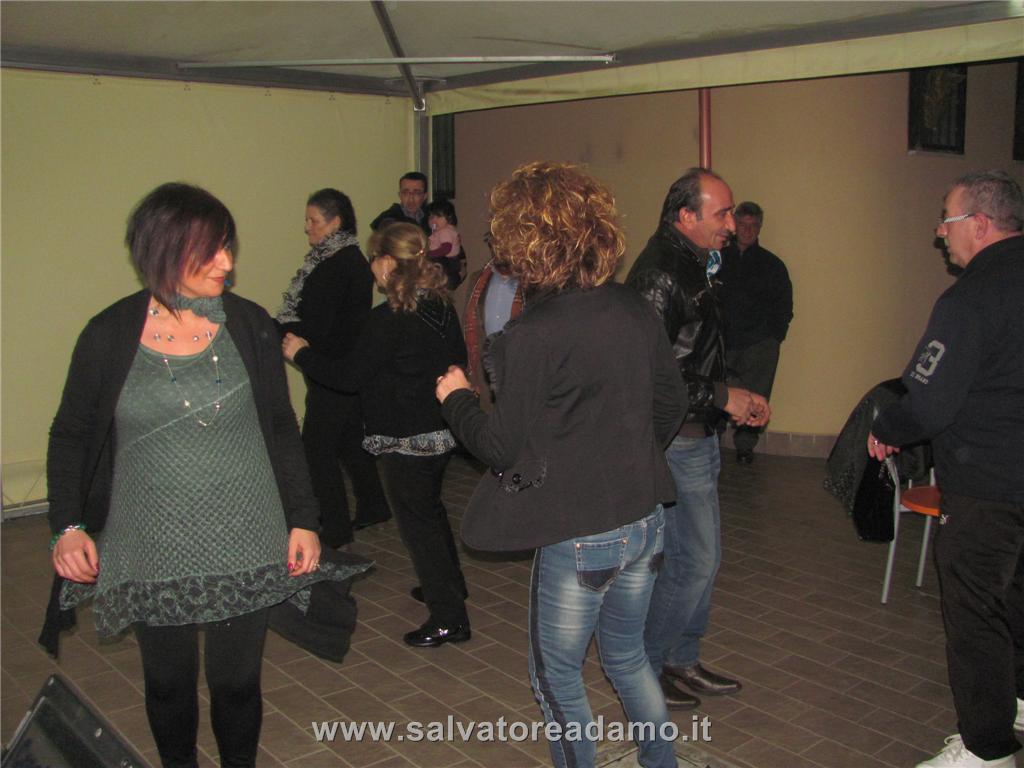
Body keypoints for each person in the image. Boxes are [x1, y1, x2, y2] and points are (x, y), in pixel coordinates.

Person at [45, 183, 368, 768]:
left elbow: (280, 427)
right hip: (152, 541)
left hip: (246, 534)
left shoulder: (249, 325)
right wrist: (67, 526)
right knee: (168, 684)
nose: (227, 262)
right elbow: (70, 433)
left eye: (228, 247)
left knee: (236, 684)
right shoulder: (108, 334)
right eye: (211, 250)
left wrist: (303, 518)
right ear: (163, 251)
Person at [436, 161, 686, 768]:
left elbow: (500, 447)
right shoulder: (632, 307)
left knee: (556, 677)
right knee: (628, 659)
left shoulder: (533, 333)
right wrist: (626, 456)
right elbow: (671, 404)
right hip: (646, 518)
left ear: (526, 240)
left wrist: (456, 399)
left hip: (582, 536)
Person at [868, 170, 1024, 768]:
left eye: (947, 220)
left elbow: (929, 402)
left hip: (987, 484)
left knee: (976, 612)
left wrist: (886, 430)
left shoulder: (970, 298)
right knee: (1019, 597)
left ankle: (987, 749)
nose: (941, 232)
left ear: (979, 225)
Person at [282, 222, 470, 648]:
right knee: (430, 514)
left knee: (419, 527)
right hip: (441, 430)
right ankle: (450, 586)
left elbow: (348, 377)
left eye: (373, 259)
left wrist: (301, 353)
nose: (371, 267)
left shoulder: (388, 319)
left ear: (386, 262)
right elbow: (456, 358)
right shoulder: (439, 305)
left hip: (407, 438)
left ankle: (450, 618)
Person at [626, 167, 770, 710]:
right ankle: (647, 666)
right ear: (686, 216)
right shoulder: (660, 273)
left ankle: (681, 658)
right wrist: (721, 396)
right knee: (694, 560)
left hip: (698, 430)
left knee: (700, 558)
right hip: (676, 439)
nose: (731, 224)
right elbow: (649, 375)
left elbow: (696, 351)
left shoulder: (699, 262)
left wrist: (731, 393)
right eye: (722, 213)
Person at [276, 188, 391, 547]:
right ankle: (373, 505)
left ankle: (335, 527)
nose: (307, 227)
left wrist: (282, 331)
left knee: (316, 449)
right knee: (349, 441)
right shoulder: (334, 260)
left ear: (335, 222)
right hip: (336, 365)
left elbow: (322, 324)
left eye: (313, 220)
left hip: (334, 368)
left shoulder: (341, 264)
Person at [718, 200, 793, 463]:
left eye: (753, 226)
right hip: (722, 341)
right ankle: (711, 443)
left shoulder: (772, 265)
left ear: (759, 228)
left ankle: (745, 447)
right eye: (743, 224)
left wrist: (774, 336)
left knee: (755, 396)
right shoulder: (717, 259)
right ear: (734, 226)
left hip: (758, 344)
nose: (748, 230)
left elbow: (784, 306)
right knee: (718, 393)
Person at [462, 249, 524, 406]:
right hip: (485, 386)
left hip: (522, 383)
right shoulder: (477, 280)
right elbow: (472, 335)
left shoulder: (536, 284)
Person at [370, 171, 431, 235]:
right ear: (400, 195)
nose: (411, 199)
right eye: (405, 193)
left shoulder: (431, 218)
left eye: (417, 193)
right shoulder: (387, 220)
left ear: (425, 196)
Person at [427, 199, 466, 289]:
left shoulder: (446, 231)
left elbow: (446, 248)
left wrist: (429, 254)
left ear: (449, 218)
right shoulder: (439, 231)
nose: (433, 220)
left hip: (446, 262)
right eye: (431, 217)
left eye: (438, 216)